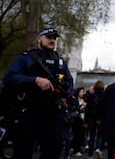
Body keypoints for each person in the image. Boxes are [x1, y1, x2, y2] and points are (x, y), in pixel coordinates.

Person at [2, 27, 74, 159]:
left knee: (54, 150)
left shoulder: (60, 62)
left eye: (54, 38)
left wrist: (67, 95)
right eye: (49, 37)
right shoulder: (26, 58)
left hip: (53, 112)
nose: (52, 40)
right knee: (22, 151)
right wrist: (34, 80)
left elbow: (69, 81)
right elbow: (9, 78)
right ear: (39, 38)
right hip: (29, 111)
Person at [84, 80, 105, 159]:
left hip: (92, 119)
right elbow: (105, 109)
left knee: (92, 136)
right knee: (100, 135)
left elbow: (87, 110)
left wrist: (86, 121)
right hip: (101, 119)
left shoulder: (91, 96)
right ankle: (98, 149)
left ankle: (90, 155)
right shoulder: (105, 96)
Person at [71, 87, 87, 157]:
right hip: (76, 120)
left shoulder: (83, 99)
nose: (82, 93)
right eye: (81, 92)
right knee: (76, 135)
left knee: (80, 135)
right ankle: (75, 150)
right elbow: (75, 109)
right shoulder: (74, 99)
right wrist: (81, 105)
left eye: (83, 92)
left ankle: (75, 148)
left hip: (82, 119)